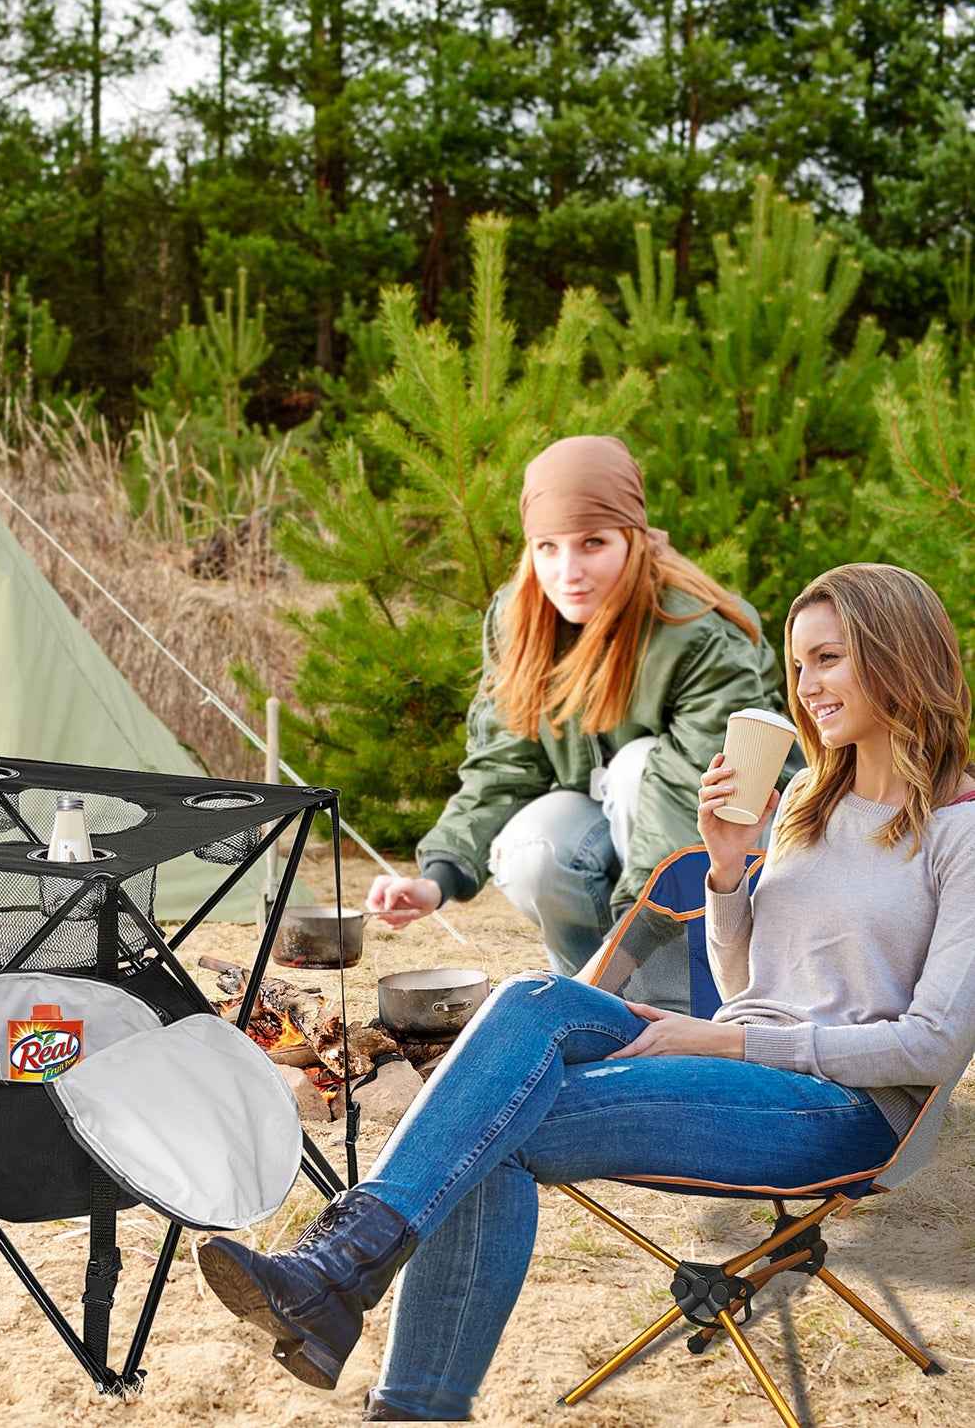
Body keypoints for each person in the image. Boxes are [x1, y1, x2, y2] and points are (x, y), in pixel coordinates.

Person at [201, 562, 975, 1421]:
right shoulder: (802, 798)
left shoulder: (961, 830)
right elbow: (745, 985)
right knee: (538, 998)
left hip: (843, 1110)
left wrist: (726, 1040)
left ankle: (361, 1318)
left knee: (495, 1122)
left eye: (827, 659)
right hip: (744, 1063)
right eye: (798, 666)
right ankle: (344, 1276)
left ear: (897, 655)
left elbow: (930, 1045)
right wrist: (726, 865)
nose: (806, 687)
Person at [366, 434, 795, 978]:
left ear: (633, 539)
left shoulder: (698, 631)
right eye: (548, 546)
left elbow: (692, 797)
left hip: (735, 839)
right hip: (622, 829)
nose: (568, 572)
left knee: (637, 765)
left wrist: (634, 944)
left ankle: (672, 991)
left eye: (592, 543)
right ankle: (591, 995)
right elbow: (504, 763)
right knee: (534, 846)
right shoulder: (520, 617)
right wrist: (437, 880)